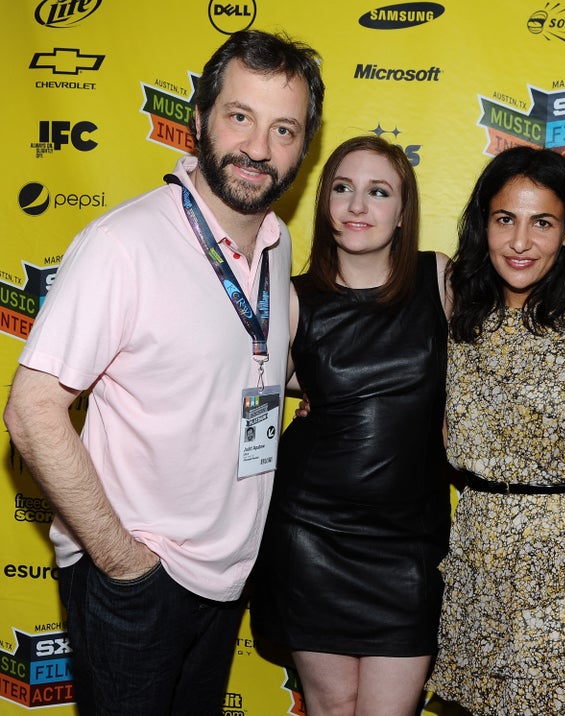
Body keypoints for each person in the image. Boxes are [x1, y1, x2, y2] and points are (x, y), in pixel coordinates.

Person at [3, 29, 324, 715]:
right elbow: (31, 412)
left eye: (285, 130)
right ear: (200, 118)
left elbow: (242, 361)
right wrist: (124, 564)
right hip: (139, 582)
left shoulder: (274, 242)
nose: (259, 150)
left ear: (304, 146)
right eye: (240, 117)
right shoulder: (125, 245)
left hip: (227, 576)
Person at [426, 146, 565, 716]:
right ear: (484, 223)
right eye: (505, 219)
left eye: (542, 222)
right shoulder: (460, 315)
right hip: (480, 565)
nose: (521, 241)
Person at [250, 135, 452, 716]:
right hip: (312, 533)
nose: (358, 206)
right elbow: (250, 393)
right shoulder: (292, 299)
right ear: (325, 203)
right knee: (333, 708)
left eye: (378, 191)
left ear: (402, 210)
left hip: (410, 544)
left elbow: (509, 342)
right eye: (343, 188)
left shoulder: (439, 278)